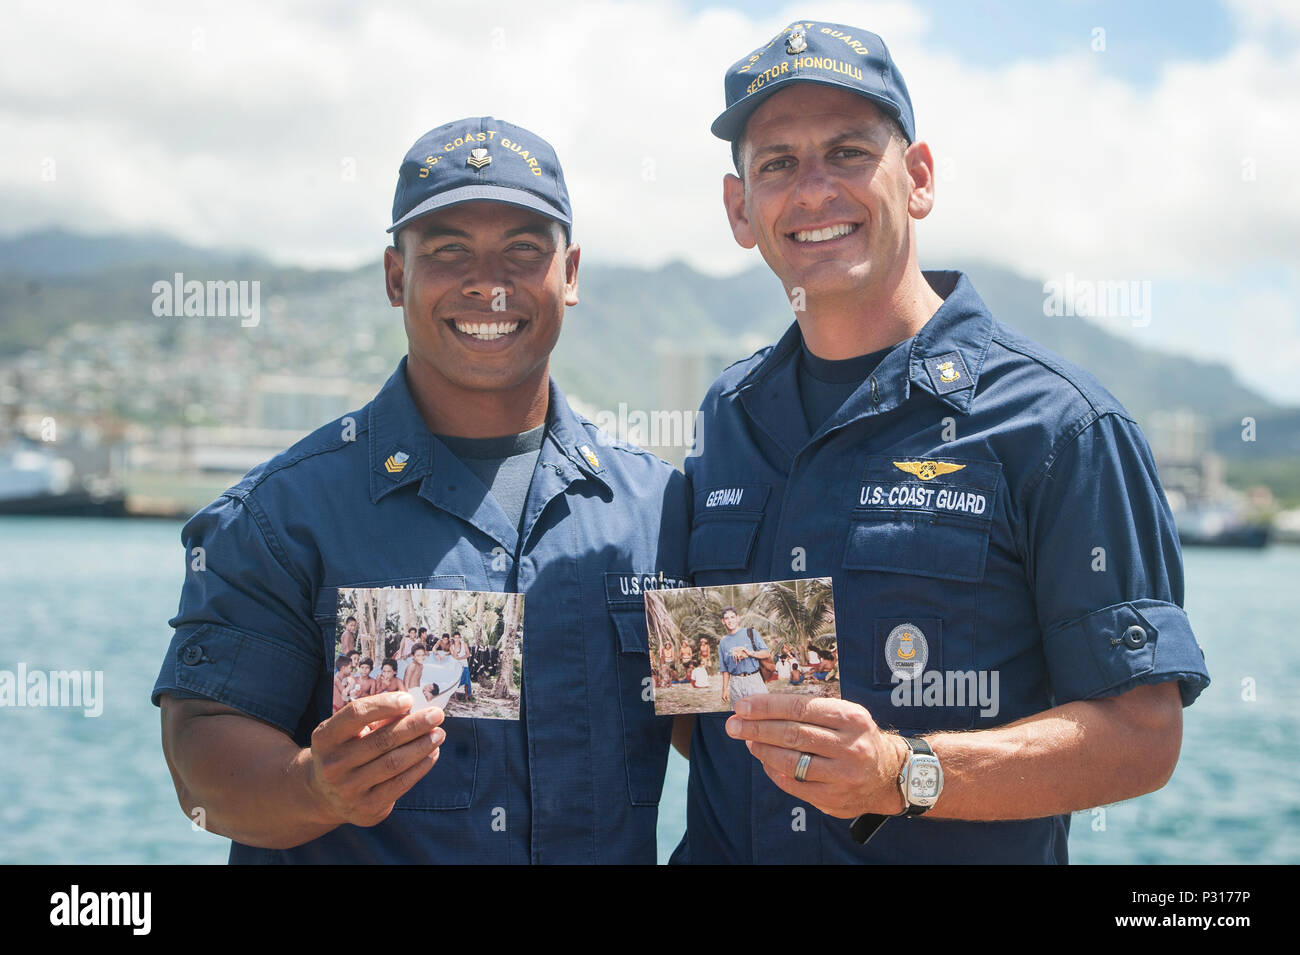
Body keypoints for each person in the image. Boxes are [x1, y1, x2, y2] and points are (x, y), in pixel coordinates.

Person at [672, 20, 1210, 864]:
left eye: (848, 152)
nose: (813, 191)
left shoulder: (1061, 425)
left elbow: (1143, 738)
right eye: (778, 163)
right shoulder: (726, 415)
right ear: (742, 209)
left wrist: (902, 771)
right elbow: (700, 715)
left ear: (917, 179)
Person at [154, 117, 689, 864]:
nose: (487, 281)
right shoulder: (282, 514)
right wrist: (316, 786)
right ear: (395, 276)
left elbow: (724, 731)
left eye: (524, 249)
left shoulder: (658, 510)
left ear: (569, 274)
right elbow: (199, 751)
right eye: (447, 250)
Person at [715, 607, 771, 709]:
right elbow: (725, 670)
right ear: (723, 621)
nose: (730, 620)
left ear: (737, 618)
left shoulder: (750, 633)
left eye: (732, 617)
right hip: (735, 682)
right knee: (739, 714)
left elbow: (766, 653)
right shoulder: (723, 642)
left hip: (753, 679)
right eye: (726, 618)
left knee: (762, 710)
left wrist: (749, 653)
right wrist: (724, 689)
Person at [451, 632, 472, 701]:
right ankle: (455, 698)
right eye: (455, 638)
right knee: (454, 681)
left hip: (464, 665)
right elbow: (454, 656)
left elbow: (468, 654)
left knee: (466, 682)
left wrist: (460, 658)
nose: (457, 639)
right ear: (453, 638)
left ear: (460, 638)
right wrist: (455, 648)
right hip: (456, 666)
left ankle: (466, 698)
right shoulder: (452, 646)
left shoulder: (464, 645)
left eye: (458, 637)